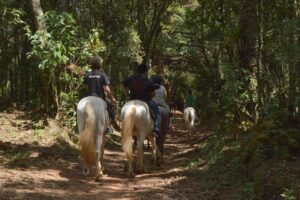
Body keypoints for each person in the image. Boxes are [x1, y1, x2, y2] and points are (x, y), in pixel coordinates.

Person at [122, 63, 161, 137]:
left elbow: (123, 85)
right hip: (145, 100)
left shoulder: (131, 78)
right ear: (146, 71)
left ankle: (123, 127)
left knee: (124, 109)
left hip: (132, 100)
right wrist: (150, 97)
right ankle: (156, 129)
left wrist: (127, 94)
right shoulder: (148, 80)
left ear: (137, 71)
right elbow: (153, 93)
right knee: (157, 111)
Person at [84, 55, 120, 132]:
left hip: (88, 98)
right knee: (112, 112)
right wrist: (112, 98)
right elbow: (107, 89)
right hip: (100, 98)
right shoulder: (102, 75)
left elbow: (87, 88)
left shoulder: (87, 75)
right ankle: (108, 127)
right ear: (100, 64)